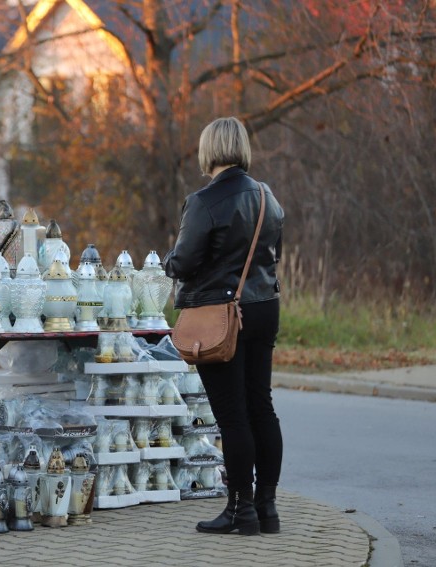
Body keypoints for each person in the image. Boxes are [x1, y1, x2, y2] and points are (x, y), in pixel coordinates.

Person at [163, 116, 284, 536]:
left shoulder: (204, 202)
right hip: (265, 307)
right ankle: (267, 508)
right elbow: (273, 255)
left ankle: (239, 510)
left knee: (232, 416)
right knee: (261, 406)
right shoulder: (269, 198)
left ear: (208, 151)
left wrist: (167, 261)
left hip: (220, 317)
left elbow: (184, 262)